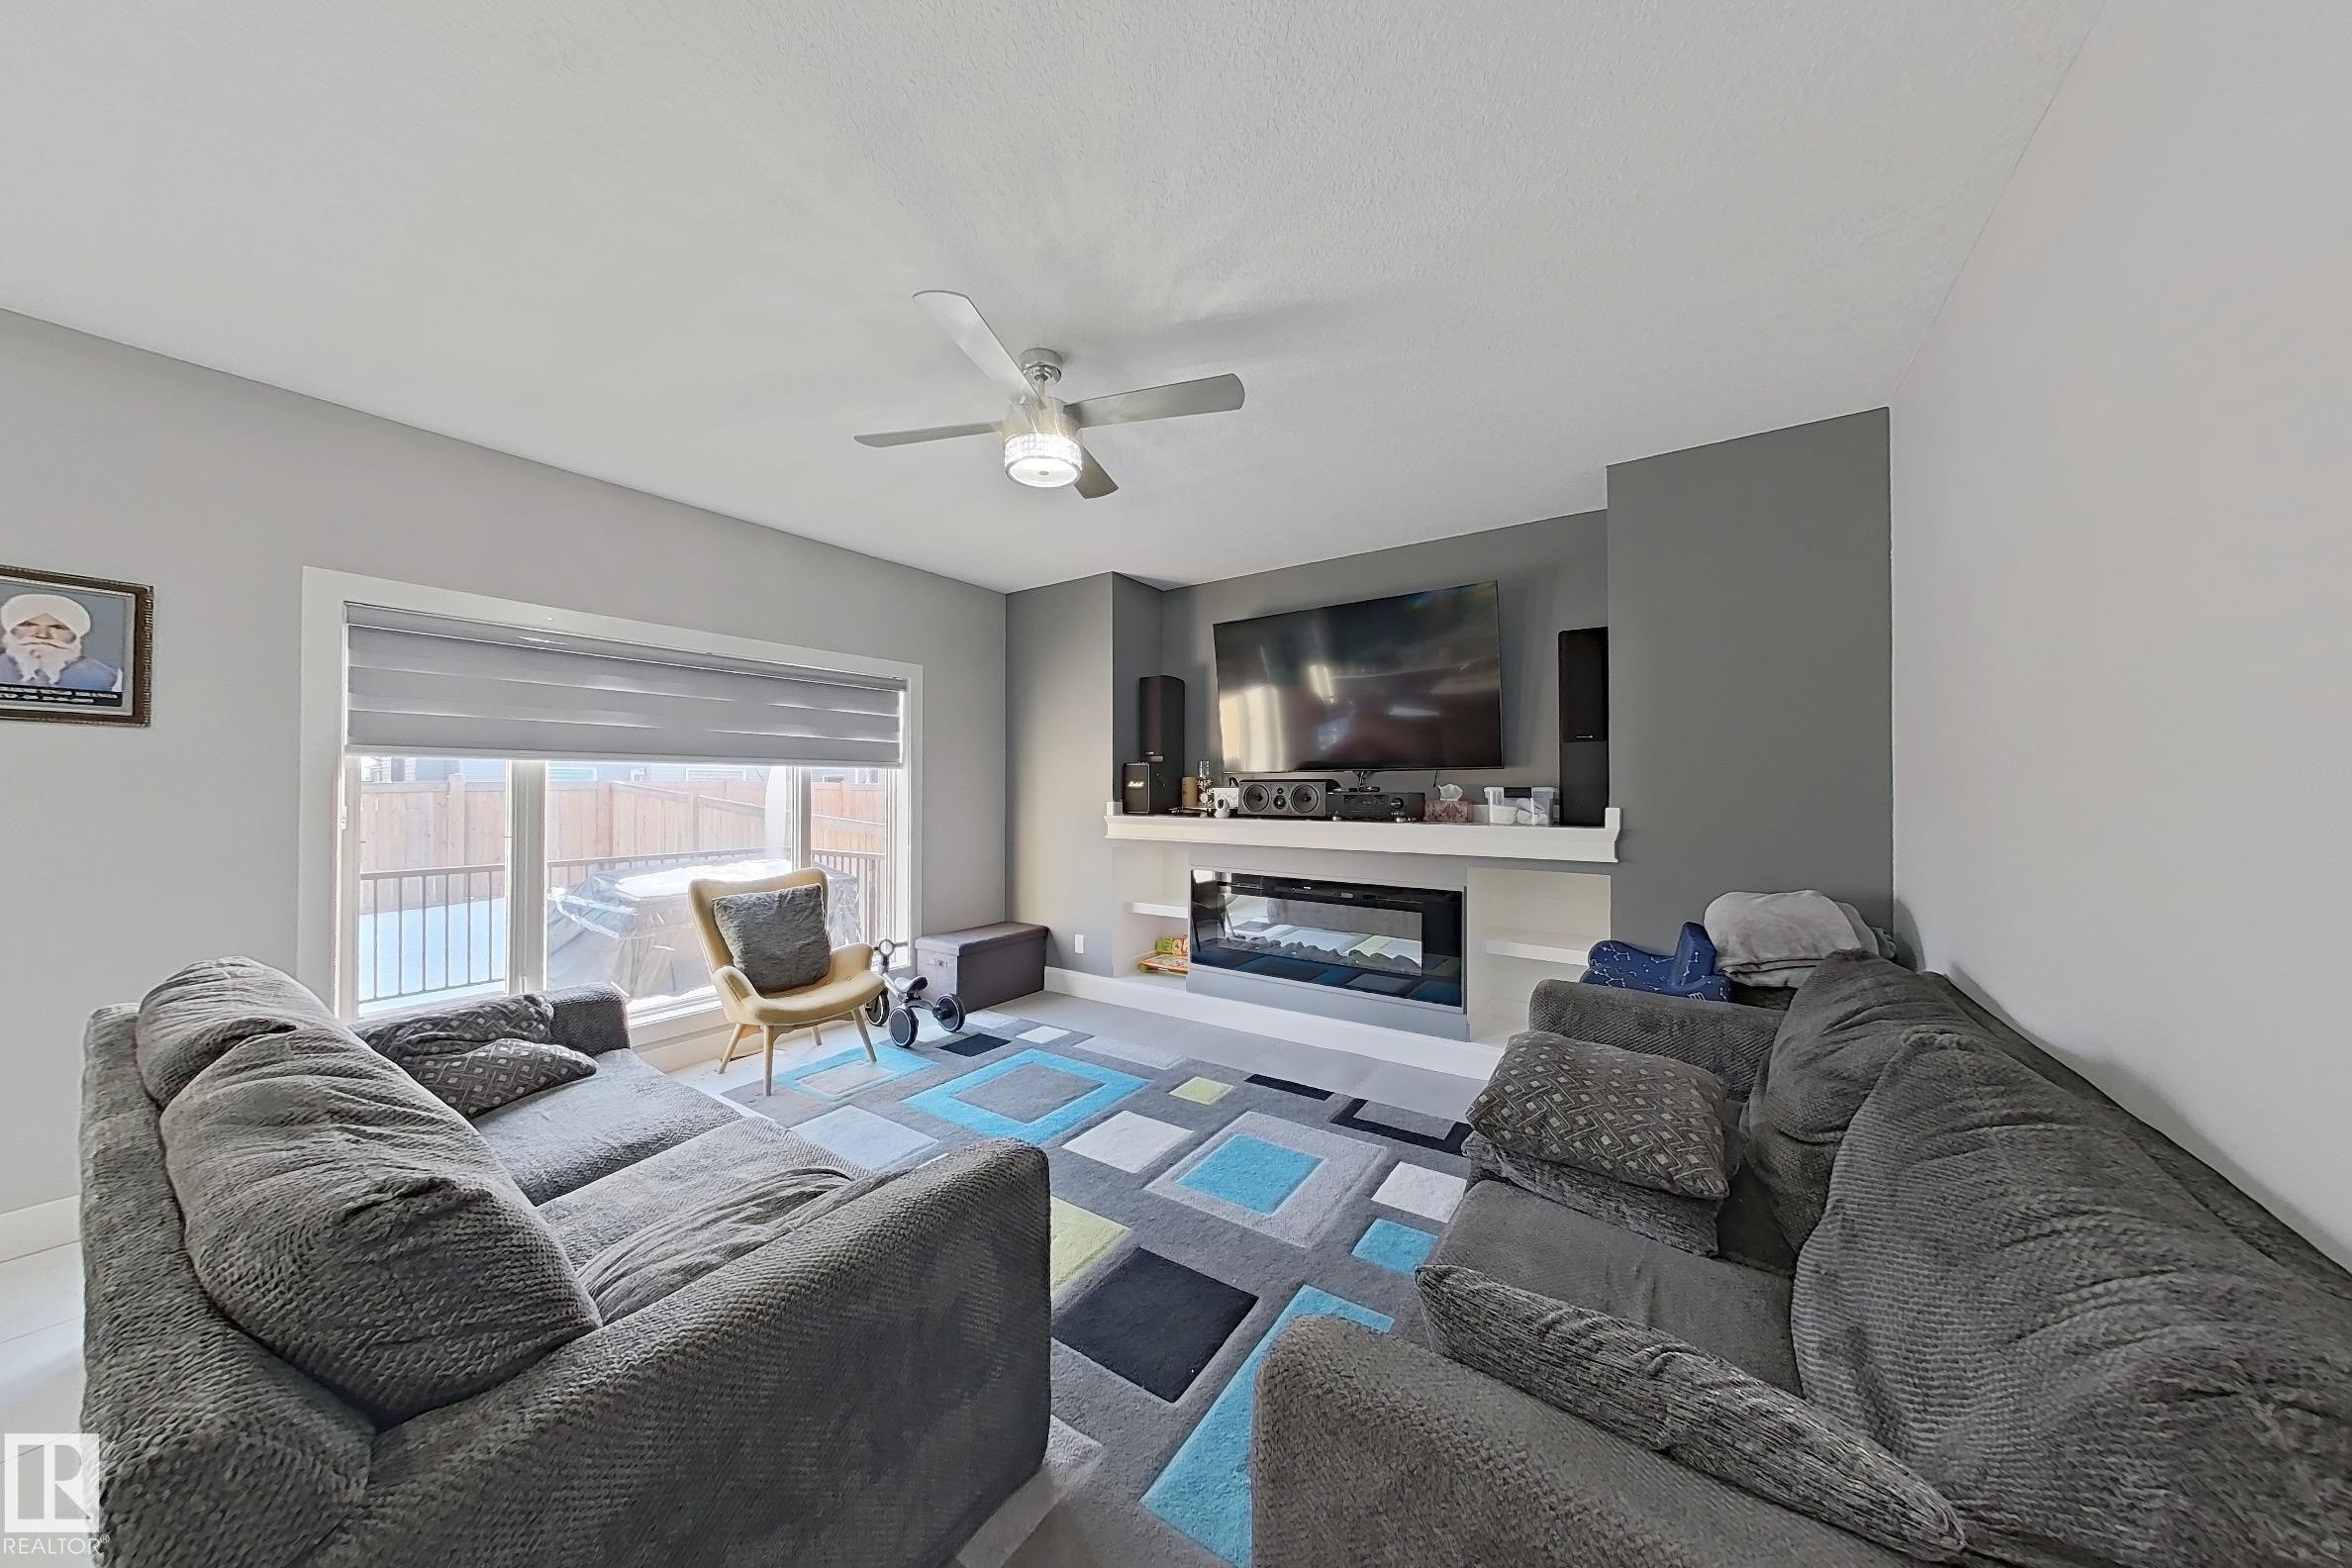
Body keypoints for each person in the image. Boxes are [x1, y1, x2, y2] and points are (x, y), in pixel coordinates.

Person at [0, 592, 122, 692]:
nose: (42, 635)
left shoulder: (110, 678)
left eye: (58, 627)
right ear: (11, 631)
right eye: (29, 625)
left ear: (74, 636)